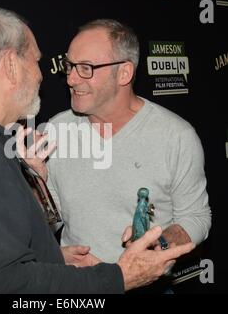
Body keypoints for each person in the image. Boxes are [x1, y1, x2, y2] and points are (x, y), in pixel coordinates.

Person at [0, 7, 194, 294]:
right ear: (10, 64)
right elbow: (8, 286)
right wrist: (118, 279)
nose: (55, 77)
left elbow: (2, 246)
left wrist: (53, 257)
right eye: (36, 61)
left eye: (85, 68)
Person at [40, 19, 211, 265]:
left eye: (86, 68)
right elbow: (50, 218)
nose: (71, 79)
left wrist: (159, 243)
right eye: (70, 66)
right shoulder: (57, 129)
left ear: (124, 73)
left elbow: (195, 216)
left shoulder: (176, 136)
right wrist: (36, 185)